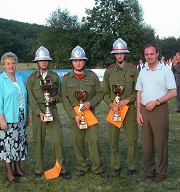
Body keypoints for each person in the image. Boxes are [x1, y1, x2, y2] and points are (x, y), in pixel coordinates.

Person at [61, 45, 108, 178]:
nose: (78, 62)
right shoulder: (66, 79)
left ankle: (97, 168)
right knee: (77, 142)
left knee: (94, 140)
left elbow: (100, 92)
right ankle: (82, 166)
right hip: (75, 116)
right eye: (75, 60)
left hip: (90, 114)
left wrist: (90, 103)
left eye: (81, 60)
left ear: (85, 61)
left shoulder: (92, 76)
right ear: (72, 62)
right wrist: (73, 115)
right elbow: (65, 99)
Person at [26, 46, 71, 180]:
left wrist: (54, 99)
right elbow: (31, 99)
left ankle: (62, 168)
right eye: (41, 60)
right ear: (37, 62)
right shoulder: (31, 79)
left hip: (52, 110)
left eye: (46, 60)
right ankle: (39, 169)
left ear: (48, 61)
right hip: (38, 112)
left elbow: (61, 96)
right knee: (39, 142)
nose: (44, 62)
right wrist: (39, 113)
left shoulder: (55, 77)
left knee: (57, 140)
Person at [135, 44, 177, 184]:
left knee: (160, 143)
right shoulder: (142, 71)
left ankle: (161, 172)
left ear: (157, 54)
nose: (149, 57)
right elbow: (139, 92)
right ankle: (149, 171)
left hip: (159, 109)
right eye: (146, 54)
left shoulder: (165, 71)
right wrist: (138, 113)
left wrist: (157, 102)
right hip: (144, 110)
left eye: (152, 54)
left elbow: (173, 92)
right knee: (147, 145)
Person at [103, 38, 139, 177]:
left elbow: (138, 91)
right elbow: (105, 93)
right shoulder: (109, 72)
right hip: (114, 110)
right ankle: (116, 166)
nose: (119, 56)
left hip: (129, 110)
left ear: (125, 54)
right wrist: (111, 105)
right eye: (117, 53)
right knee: (114, 140)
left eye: (122, 53)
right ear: (114, 55)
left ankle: (132, 167)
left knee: (132, 140)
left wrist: (127, 100)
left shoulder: (133, 70)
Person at [0, 52, 29, 183]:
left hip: (20, 117)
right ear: (3, 65)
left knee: (18, 144)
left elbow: (24, 98)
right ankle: (9, 172)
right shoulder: (0, 81)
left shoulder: (19, 78)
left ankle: (18, 169)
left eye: (13, 63)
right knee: (8, 146)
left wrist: (27, 115)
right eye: (8, 63)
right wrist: (1, 119)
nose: (11, 65)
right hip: (7, 119)